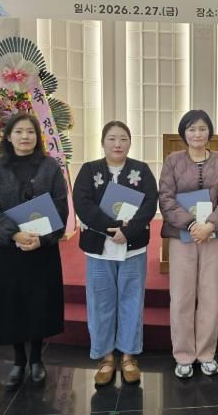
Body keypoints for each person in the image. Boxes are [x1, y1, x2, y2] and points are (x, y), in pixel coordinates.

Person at [0, 112, 68, 391]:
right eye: (18, 132)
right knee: (13, 303)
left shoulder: (50, 167)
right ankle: (19, 360)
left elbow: (61, 206)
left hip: (42, 250)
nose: (25, 137)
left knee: (39, 302)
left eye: (30, 131)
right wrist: (14, 234)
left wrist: (42, 239)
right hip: (9, 251)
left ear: (37, 136)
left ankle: (37, 360)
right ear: (8, 136)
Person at [73, 121, 158, 386]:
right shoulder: (89, 170)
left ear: (130, 142)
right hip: (99, 249)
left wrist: (129, 232)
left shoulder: (141, 170)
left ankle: (129, 356)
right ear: (102, 142)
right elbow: (82, 204)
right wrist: (111, 229)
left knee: (132, 300)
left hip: (133, 247)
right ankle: (105, 357)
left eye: (123, 138)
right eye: (111, 138)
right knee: (101, 302)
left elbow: (150, 203)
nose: (118, 144)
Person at [158, 110, 218, 379]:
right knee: (181, 296)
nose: (197, 134)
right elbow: (165, 198)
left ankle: (206, 353)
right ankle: (183, 354)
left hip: (213, 235)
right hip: (182, 236)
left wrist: (210, 225)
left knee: (210, 294)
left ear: (209, 131)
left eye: (202, 128)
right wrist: (192, 225)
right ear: (184, 133)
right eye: (191, 129)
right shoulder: (173, 161)